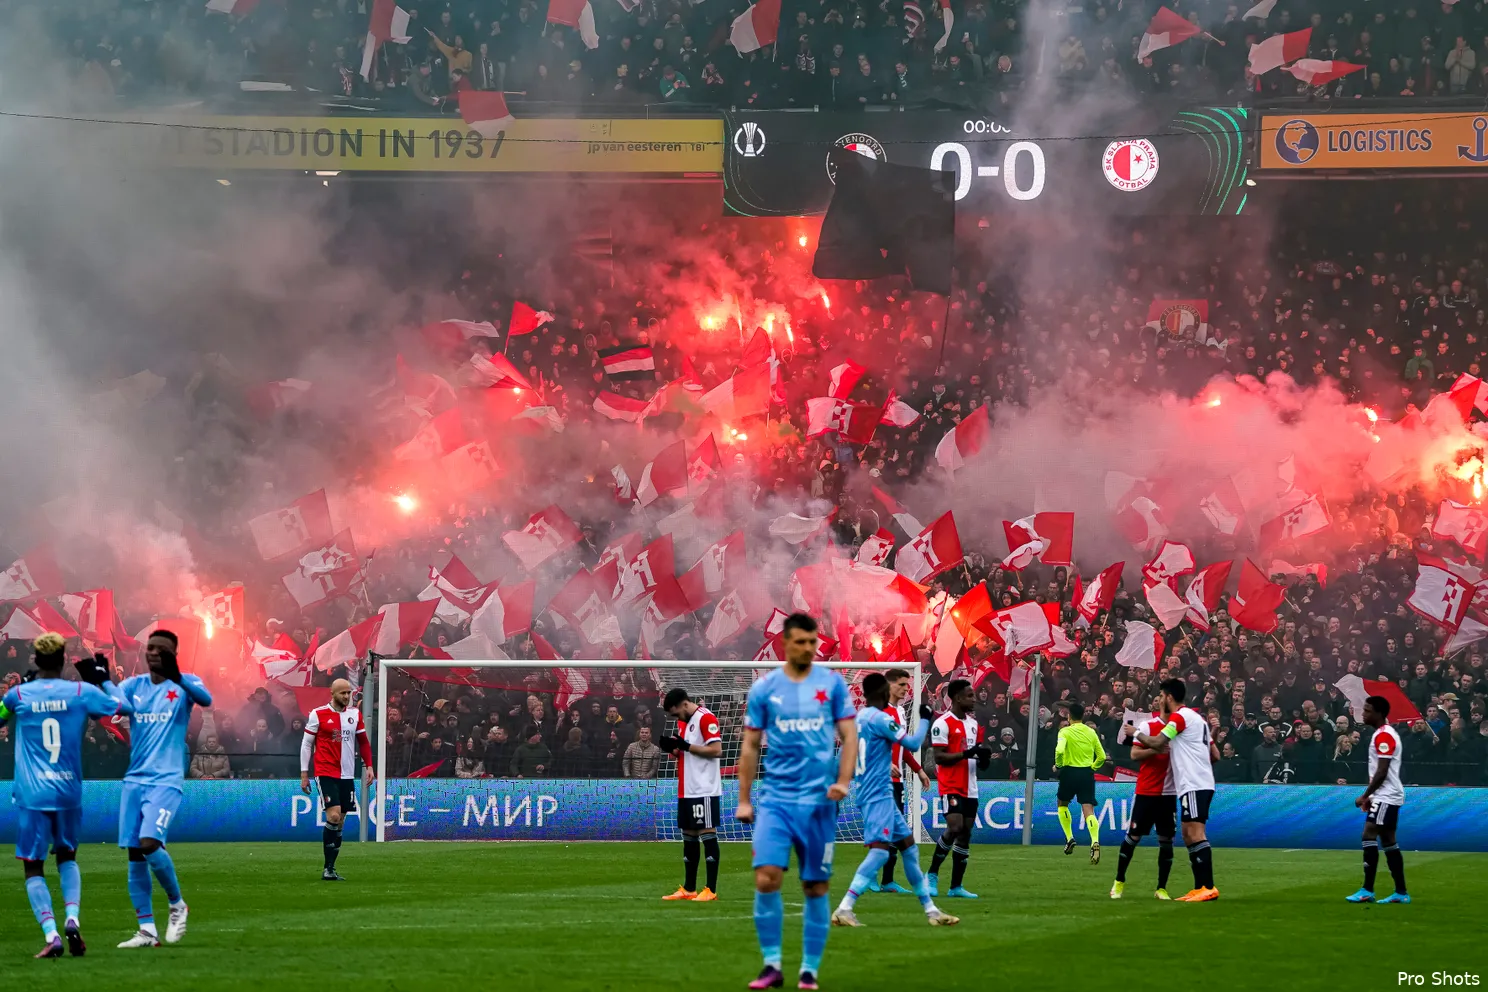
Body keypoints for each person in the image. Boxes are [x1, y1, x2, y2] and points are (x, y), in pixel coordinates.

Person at [737, 613, 857, 991]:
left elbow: (850, 736)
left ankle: (809, 970)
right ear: (786, 643)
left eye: (812, 642)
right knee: (766, 877)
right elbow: (750, 745)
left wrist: (843, 781)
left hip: (819, 804)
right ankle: (772, 965)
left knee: (815, 887)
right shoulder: (765, 689)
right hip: (776, 801)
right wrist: (744, 799)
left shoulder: (832, 684)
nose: (808, 648)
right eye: (801, 642)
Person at [0, 635, 120, 957]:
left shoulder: (17, 695)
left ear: (35, 660)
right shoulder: (81, 692)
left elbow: (0, 715)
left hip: (32, 794)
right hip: (68, 790)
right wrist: (104, 679)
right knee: (67, 857)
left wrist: (20, 691)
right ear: (64, 659)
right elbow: (120, 707)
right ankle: (72, 918)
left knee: (33, 866)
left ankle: (52, 933)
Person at [107, 629, 213, 947]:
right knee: (135, 854)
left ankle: (177, 904)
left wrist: (176, 674)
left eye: (160, 649)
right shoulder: (133, 686)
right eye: (150, 648)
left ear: (173, 654)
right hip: (134, 780)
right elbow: (110, 705)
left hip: (166, 780)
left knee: (149, 842)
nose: (153, 652)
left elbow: (206, 700)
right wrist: (100, 679)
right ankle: (147, 930)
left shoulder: (185, 684)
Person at [830, 672, 958, 928]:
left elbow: (842, 757)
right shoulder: (881, 718)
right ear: (883, 691)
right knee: (879, 852)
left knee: (909, 848)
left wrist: (838, 782)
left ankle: (932, 911)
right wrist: (925, 718)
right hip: (877, 795)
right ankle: (845, 907)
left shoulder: (857, 720)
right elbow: (912, 743)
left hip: (875, 793)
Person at [1130, 678, 1220, 902]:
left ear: (1169, 697)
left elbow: (1158, 742)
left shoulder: (1180, 717)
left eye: (1162, 696)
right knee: (1188, 833)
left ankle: (1208, 886)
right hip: (1196, 783)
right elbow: (1215, 755)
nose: (1160, 700)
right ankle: (1199, 887)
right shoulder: (1198, 719)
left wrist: (1136, 733)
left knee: (1195, 832)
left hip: (1194, 783)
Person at [299, 678, 375, 881]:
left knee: (340, 821)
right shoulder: (318, 714)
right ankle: (327, 868)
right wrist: (304, 774)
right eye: (343, 693)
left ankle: (331, 868)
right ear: (332, 693)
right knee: (333, 816)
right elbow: (306, 744)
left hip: (347, 774)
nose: (347, 696)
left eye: (349, 693)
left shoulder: (354, 714)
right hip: (325, 772)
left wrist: (369, 766)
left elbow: (363, 742)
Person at [658, 687, 723, 902]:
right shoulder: (683, 722)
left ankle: (710, 890)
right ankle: (689, 888)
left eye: (676, 713)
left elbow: (716, 750)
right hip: (686, 787)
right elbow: (685, 751)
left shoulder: (706, 718)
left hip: (704, 787)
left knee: (706, 832)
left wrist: (686, 746)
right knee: (689, 834)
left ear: (684, 704)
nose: (676, 717)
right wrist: (672, 748)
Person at [926, 679, 989, 899]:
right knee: (954, 827)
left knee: (965, 833)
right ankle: (931, 874)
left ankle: (956, 886)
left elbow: (975, 755)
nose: (974, 699)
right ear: (957, 698)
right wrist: (967, 754)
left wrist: (984, 759)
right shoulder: (942, 723)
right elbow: (939, 757)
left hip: (971, 787)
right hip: (951, 784)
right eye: (970, 696)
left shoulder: (973, 724)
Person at [1346, 696, 1410, 903]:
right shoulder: (1383, 733)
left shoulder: (1384, 735)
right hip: (1386, 795)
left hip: (1386, 795)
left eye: (1367, 710)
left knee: (1369, 834)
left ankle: (1367, 890)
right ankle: (1401, 892)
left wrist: (1365, 795)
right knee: (1389, 840)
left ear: (1379, 714)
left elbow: (1382, 771)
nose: (1363, 713)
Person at [872, 667, 931, 894]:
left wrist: (918, 770)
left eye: (907, 685)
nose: (907, 689)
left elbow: (902, 747)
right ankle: (872, 877)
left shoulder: (899, 712)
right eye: (902, 685)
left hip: (896, 782)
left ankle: (886, 880)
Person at [1111, 702, 1178, 900]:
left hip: (1169, 794)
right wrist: (1155, 750)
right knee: (1133, 837)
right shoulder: (1148, 726)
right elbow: (1134, 754)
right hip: (1146, 792)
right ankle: (1119, 881)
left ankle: (1161, 888)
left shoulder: (1179, 730)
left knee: (1166, 842)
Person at [1054, 701, 1107, 863]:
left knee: (1062, 804)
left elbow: (1059, 750)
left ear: (1069, 717)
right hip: (1086, 773)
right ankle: (1095, 841)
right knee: (1088, 809)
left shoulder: (1065, 731)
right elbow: (1102, 756)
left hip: (1069, 772)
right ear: (1083, 716)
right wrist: (1092, 768)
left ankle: (1069, 837)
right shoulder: (1091, 732)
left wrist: (1059, 765)